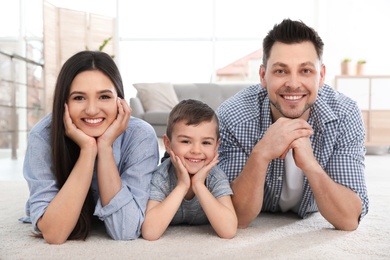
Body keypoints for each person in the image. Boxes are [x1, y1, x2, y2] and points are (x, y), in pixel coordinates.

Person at [216, 19, 369, 231]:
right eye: (281, 71)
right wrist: (260, 154)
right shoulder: (234, 114)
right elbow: (236, 218)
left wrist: (311, 165)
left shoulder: (345, 114)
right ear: (263, 76)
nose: (293, 84)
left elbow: (349, 219)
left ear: (321, 76)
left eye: (305, 71)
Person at [21, 50, 159, 244]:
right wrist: (87, 150)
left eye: (104, 97)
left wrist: (105, 147)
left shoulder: (140, 136)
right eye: (79, 98)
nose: (92, 109)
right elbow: (54, 233)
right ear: (64, 102)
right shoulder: (43, 135)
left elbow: (125, 230)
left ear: (119, 100)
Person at [141, 99, 237, 240]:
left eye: (206, 142)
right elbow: (150, 233)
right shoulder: (161, 177)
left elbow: (228, 231)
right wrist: (182, 186)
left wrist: (198, 185)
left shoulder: (215, 177)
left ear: (216, 147)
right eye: (186, 141)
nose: (196, 150)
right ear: (168, 144)